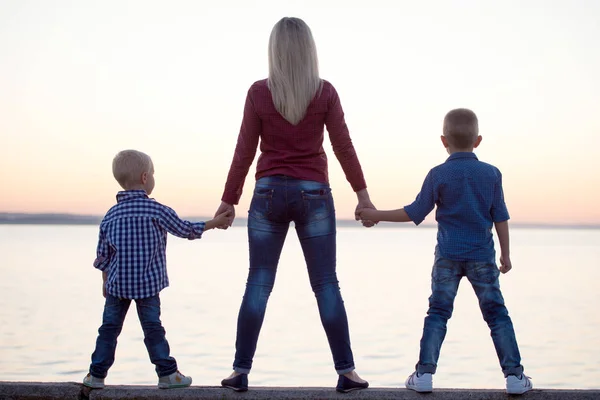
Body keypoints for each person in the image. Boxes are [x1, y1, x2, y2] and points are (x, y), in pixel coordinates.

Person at [214, 17, 374, 393]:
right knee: (326, 284)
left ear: (275, 52)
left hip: (268, 192)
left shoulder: (258, 92)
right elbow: (343, 146)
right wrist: (362, 194)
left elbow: (244, 150)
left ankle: (239, 372)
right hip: (313, 194)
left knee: (258, 282)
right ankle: (347, 372)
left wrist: (228, 201)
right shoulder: (325, 92)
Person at [356, 108, 533, 395]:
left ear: (443, 140)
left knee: (438, 313)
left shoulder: (439, 174)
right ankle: (514, 376)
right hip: (481, 257)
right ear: (478, 140)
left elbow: (415, 212)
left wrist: (375, 214)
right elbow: (500, 215)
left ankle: (424, 374)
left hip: (447, 258)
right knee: (497, 314)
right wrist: (506, 253)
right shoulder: (491, 174)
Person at [83, 149, 231, 390]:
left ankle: (96, 375)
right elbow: (185, 229)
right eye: (153, 174)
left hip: (116, 287)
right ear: (144, 178)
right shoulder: (156, 210)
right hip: (148, 286)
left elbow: (103, 255)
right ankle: (167, 374)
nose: (153, 178)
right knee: (153, 329)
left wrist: (104, 281)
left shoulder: (110, 215)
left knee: (108, 329)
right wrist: (214, 223)